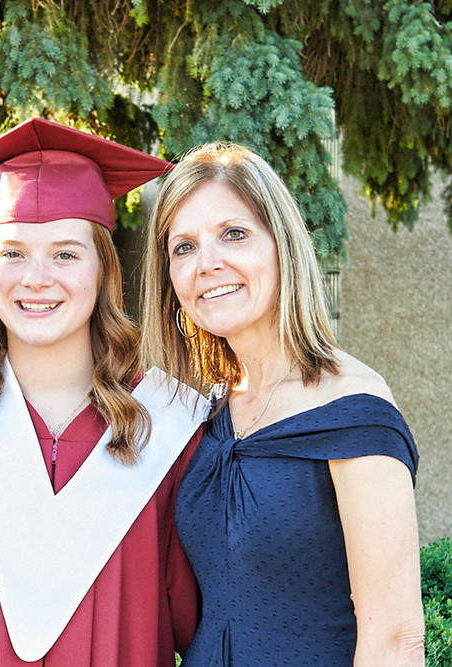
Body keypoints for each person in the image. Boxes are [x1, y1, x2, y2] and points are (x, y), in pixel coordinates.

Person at [0, 117, 210, 666]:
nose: (36, 278)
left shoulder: (168, 428)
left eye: (65, 254)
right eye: (12, 252)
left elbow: (204, 622)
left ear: (104, 272)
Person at [140, 142, 425, 665]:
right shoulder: (210, 414)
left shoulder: (353, 410)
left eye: (234, 234)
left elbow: (395, 639)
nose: (207, 264)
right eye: (184, 247)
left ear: (283, 246)